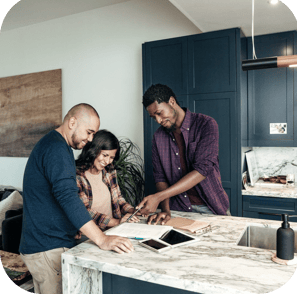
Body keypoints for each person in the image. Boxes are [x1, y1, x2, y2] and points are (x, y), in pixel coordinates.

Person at [19, 103, 133, 294]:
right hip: (48, 247)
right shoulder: (57, 149)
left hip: (43, 246)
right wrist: (102, 239)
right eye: (89, 132)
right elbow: (68, 198)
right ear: (72, 122)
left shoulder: (54, 145)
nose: (90, 140)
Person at [137, 84, 230, 224]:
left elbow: (202, 170)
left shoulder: (206, 124)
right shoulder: (158, 137)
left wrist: (158, 197)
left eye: (159, 113)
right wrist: (166, 211)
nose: (158, 120)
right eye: (153, 117)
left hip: (212, 208)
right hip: (178, 210)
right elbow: (160, 178)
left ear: (172, 102)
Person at [75, 129, 140, 235]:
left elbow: (118, 199)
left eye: (111, 158)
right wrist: (117, 222)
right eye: (105, 155)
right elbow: (84, 212)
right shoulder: (76, 176)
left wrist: (132, 211)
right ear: (93, 150)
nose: (107, 161)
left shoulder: (109, 171)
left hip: (113, 231)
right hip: (88, 236)